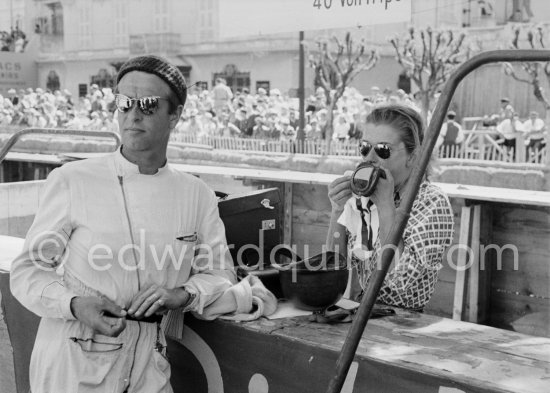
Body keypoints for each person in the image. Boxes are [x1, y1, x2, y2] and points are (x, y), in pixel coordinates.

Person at [10, 55, 248, 392]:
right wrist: (75, 305)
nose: (133, 114)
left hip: (148, 364)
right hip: (75, 361)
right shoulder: (73, 180)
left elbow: (221, 275)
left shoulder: (197, 195)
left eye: (148, 104)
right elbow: (27, 272)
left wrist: (182, 294)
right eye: (123, 102)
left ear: (175, 115)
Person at [326, 104, 454, 310]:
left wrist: (385, 206)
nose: (369, 158)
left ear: (413, 156)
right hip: (364, 309)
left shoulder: (432, 200)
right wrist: (338, 211)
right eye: (365, 147)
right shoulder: (366, 197)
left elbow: (401, 281)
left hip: (405, 319)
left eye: (383, 150)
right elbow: (333, 267)